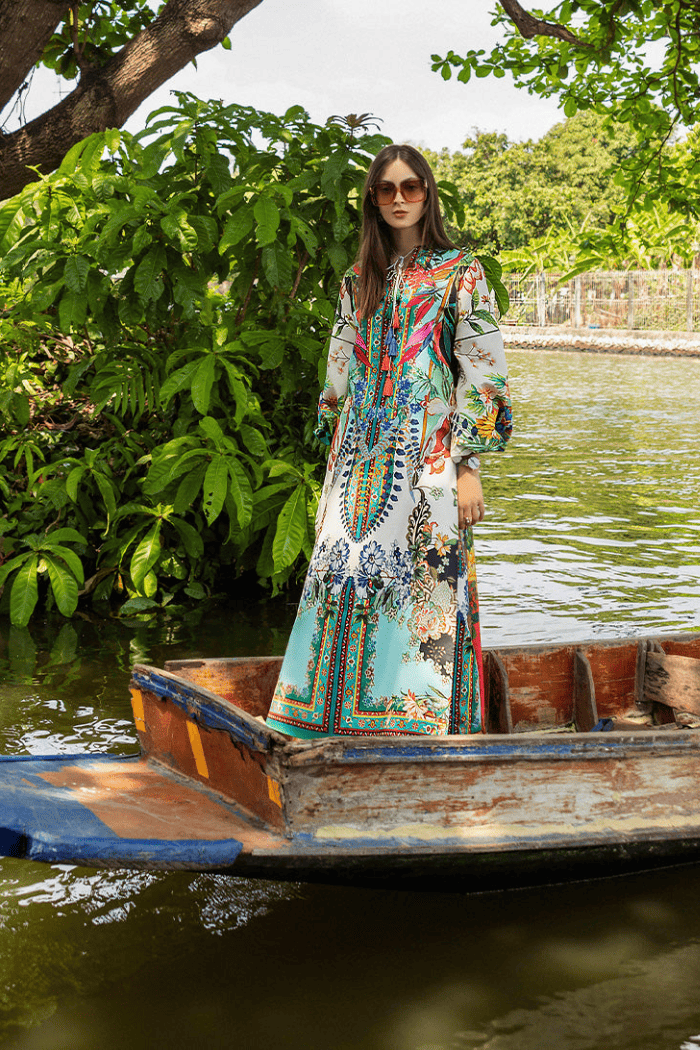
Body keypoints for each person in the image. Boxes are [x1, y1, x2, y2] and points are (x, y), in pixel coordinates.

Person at [266, 144, 512, 739]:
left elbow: (481, 369)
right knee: (341, 571)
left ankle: (416, 727)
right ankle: (323, 723)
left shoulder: (461, 270)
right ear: (372, 200)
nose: (399, 199)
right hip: (358, 456)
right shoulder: (359, 278)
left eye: (411, 188)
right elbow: (340, 370)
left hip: (428, 453)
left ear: (428, 193)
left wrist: (468, 466)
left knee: (425, 574)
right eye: (386, 190)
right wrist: (335, 458)